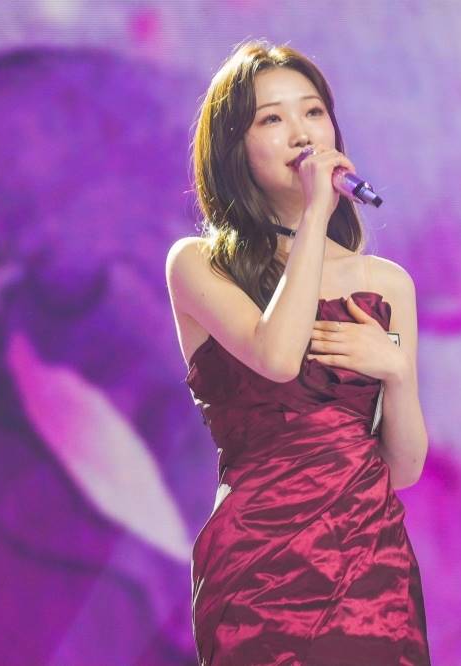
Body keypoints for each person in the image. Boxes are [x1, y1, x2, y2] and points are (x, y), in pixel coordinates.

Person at [165, 39, 430, 665]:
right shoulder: (199, 264)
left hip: (371, 562)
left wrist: (396, 375)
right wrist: (316, 214)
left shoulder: (387, 284)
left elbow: (403, 469)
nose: (301, 133)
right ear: (235, 149)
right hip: (262, 566)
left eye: (313, 112)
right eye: (271, 118)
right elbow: (279, 358)